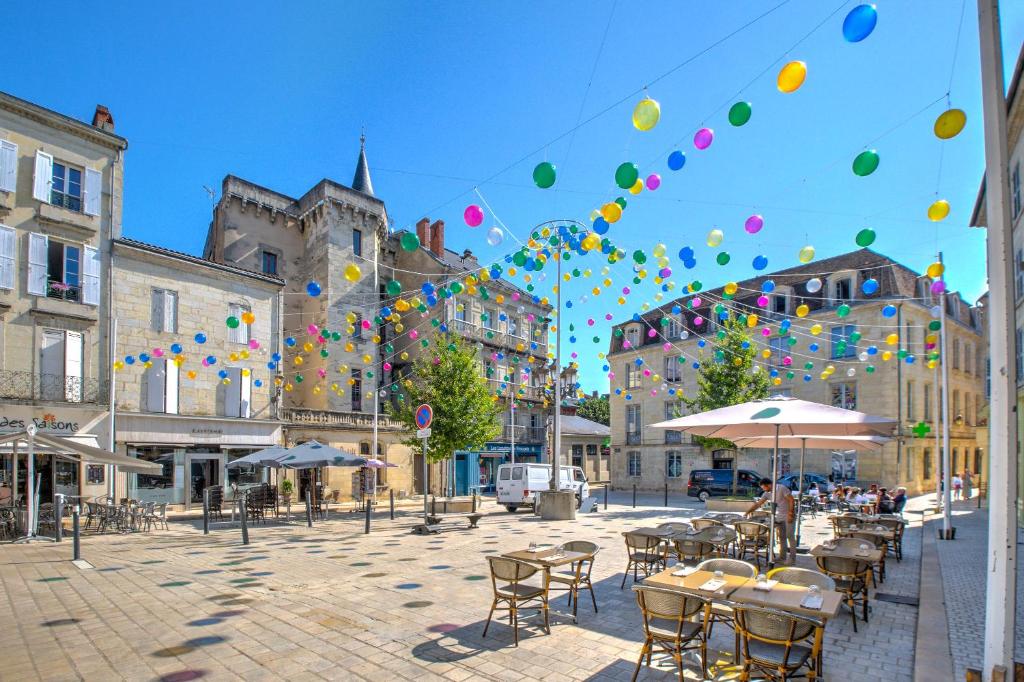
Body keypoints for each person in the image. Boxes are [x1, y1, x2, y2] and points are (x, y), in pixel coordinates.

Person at [746, 477, 796, 565]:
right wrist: (748, 511)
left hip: (788, 515)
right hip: (779, 516)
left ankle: (792, 559)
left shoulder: (781, 488)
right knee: (782, 537)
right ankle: (782, 557)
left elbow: (791, 500)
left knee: (789, 536)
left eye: (764, 488)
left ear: (769, 485)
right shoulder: (767, 493)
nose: (764, 490)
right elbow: (758, 503)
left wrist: (790, 514)